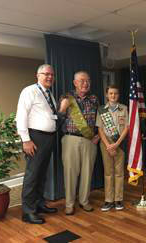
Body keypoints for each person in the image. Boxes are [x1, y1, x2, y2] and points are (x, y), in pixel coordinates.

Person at [16, 64, 58, 224]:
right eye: (46, 74)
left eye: (52, 75)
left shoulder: (48, 93)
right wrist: (26, 140)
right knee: (32, 175)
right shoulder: (30, 91)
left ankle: (39, 204)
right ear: (37, 75)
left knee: (42, 174)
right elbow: (21, 116)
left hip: (48, 138)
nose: (49, 77)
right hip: (35, 138)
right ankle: (28, 212)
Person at [58, 71, 100, 215]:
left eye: (88, 81)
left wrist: (98, 136)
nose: (85, 83)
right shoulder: (66, 97)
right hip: (71, 139)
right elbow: (58, 117)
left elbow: (101, 120)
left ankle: (84, 201)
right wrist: (62, 108)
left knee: (87, 173)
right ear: (75, 83)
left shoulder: (94, 99)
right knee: (70, 173)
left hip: (90, 140)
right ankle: (69, 204)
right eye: (82, 81)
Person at [96, 85, 129, 211]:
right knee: (108, 172)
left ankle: (118, 199)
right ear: (106, 95)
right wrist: (108, 145)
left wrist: (117, 143)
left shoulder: (124, 108)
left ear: (118, 95)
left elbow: (126, 127)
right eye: (110, 93)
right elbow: (99, 129)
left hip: (119, 142)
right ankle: (108, 200)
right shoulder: (102, 110)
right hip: (106, 143)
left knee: (119, 172)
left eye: (115, 93)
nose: (113, 96)